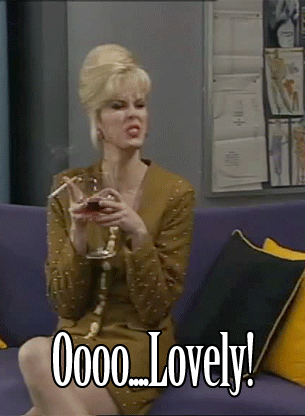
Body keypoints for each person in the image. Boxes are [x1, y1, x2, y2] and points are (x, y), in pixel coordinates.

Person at [18, 44, 195, 416]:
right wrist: (79, 235)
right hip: (76, 347)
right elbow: (66, 305)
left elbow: (156, 308)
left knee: (36, 368)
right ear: (97, 120)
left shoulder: (175, 193)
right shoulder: (69, 187)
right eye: (117, 106)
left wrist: (139, 234)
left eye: (140, 105)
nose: (133, 116)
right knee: (36, 355)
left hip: (138, 351)